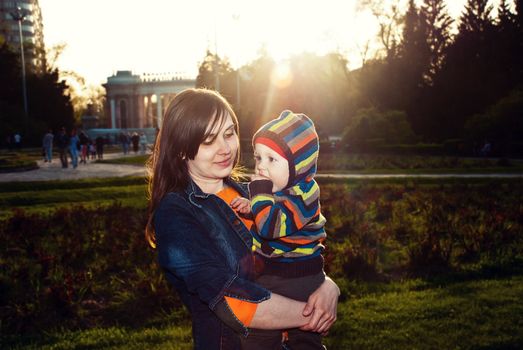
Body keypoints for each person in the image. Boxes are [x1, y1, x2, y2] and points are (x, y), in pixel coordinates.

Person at [145, 89, 339, 349]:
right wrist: (313, 313)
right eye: (208, 140)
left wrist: (328, 285)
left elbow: (296, 250)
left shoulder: (252, 193)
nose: (225, 149)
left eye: (229, 133)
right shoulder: (176, 213)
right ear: (181, 149)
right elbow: (230, 300)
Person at [231, 110, 328, 349]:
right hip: (277, 274)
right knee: (259, 338)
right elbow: (266, 211)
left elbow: (270, 226)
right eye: (258, 157)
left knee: (302, 338)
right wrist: (254, 205)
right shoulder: (280, 191)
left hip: (298, 277)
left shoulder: (305, 195)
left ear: (299, 166)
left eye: (271, 159)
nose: (262, 166)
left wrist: (259, 195)